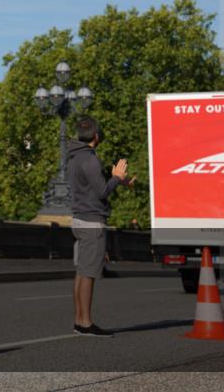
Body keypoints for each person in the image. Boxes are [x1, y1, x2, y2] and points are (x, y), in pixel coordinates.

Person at [66, 115, 133, 337]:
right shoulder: (90, 159)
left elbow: (91, 185)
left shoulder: (75, 156)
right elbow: (102, 191)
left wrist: (118, 181)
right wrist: (116, 177)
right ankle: (85, 322)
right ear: (96, 136)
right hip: (92, 221)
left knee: (82, 271)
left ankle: (79, 320)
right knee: (89, 273)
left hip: (79, 218)